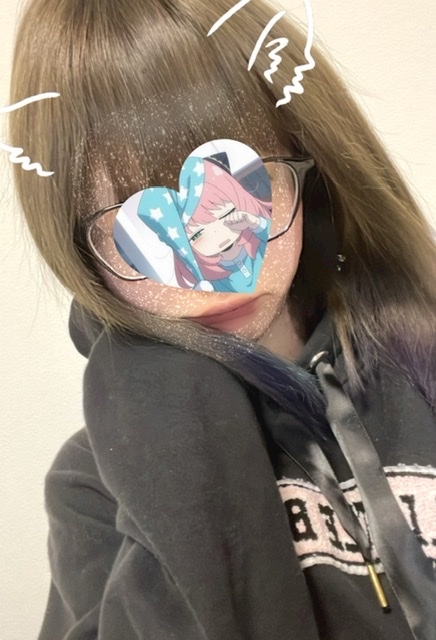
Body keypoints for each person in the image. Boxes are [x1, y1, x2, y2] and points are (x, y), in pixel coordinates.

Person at [8, 0, 436, 639]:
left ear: (306, 176)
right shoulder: (93, 486)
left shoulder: (420, 361)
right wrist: (166, 394)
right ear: (84, 254)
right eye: (144, 231)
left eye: (234, 203)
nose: (211, 272)